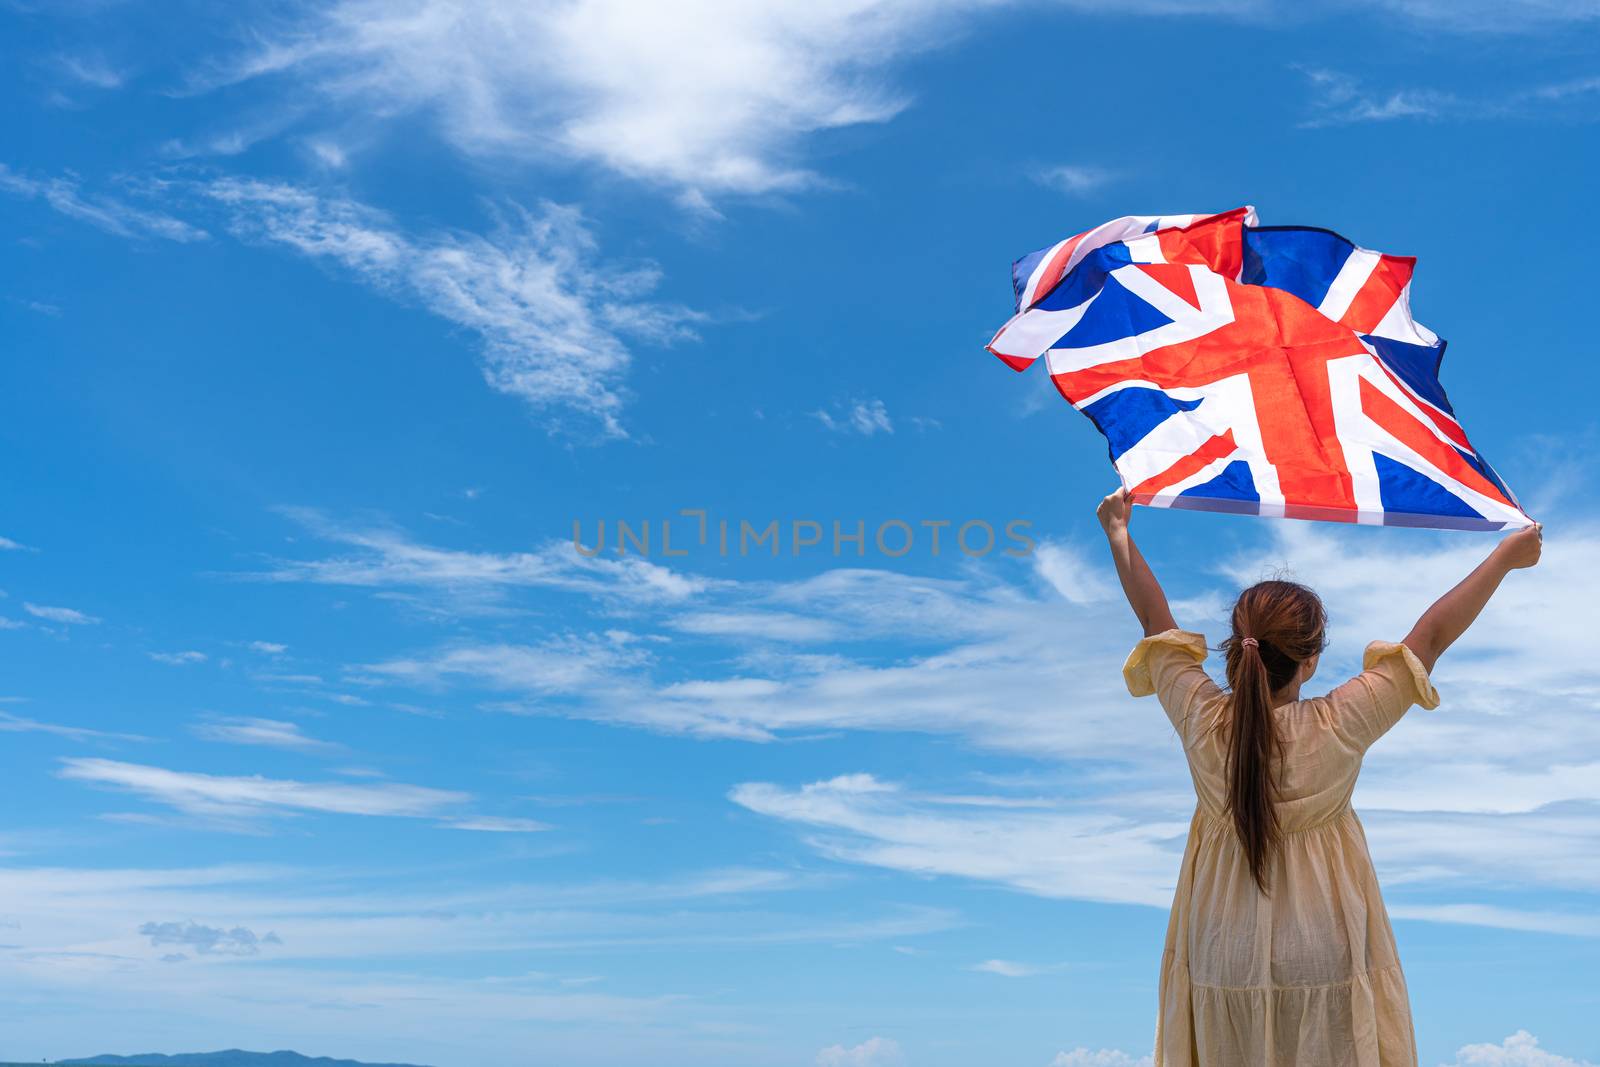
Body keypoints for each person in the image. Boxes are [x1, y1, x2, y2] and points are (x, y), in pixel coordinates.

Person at [1096, 487, 1543, 1067]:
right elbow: (1428, 637)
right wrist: (1506, 555)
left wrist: (1118, 534)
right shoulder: (1339, 724)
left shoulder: (1202, 721)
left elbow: (1155, 622)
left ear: (1238, 648)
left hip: (1219, 952)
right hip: (1324, 948)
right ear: (1310, 659)